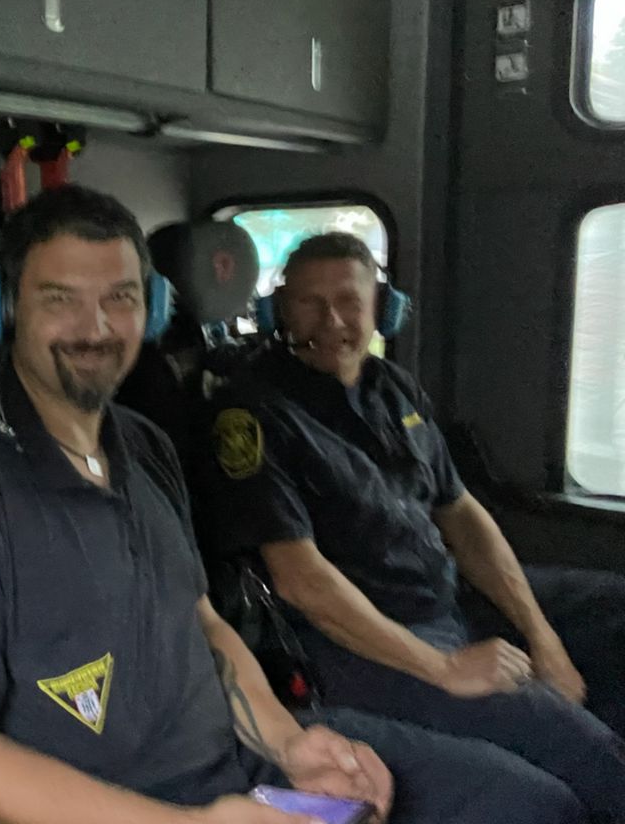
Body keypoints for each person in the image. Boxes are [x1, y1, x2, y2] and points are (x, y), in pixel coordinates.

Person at [0, 187, 579, 824]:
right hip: (130, 810)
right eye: (60, 299)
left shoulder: (145, 446)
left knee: (532, 804)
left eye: (121, 298)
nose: (95, 328)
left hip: (240, 774)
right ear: (8, 312)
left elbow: (204, 622)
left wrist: (291, 741)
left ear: (152, 308)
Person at [208, 231, 625, 821]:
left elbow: (462, 516)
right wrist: (445, 669)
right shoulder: (251, 414)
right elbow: (302, 581)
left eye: (349, 301)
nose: (331, 320)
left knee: (615, 612)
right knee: (568, 744)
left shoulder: (393, 387)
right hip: (366, 640)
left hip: (448, 595)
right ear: (279, 311)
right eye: (309, 303)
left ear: (382, 306)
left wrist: (542, 635)